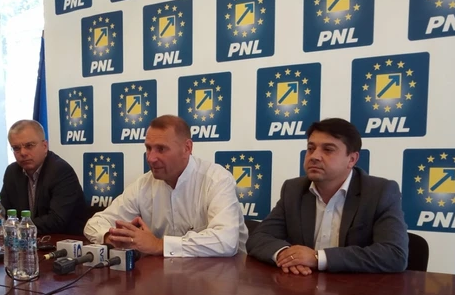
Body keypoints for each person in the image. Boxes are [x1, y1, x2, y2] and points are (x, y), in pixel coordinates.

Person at [246, 117, 408, 274]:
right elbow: (259, 237)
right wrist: (287, 255)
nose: (314, 156)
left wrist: (318, 258)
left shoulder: (380, 192)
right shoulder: (294, 190)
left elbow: (394, 254)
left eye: (328, 150)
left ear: (352, 159)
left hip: (356, 288)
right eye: (311, 148)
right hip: (302, 285)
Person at [84, 115, 247, 257]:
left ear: (187, 148)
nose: (151, 158)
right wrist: (112, 237)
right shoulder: (143, 185)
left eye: (161, 149)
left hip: (221, 277)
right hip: (163, 276)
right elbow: (95, 223)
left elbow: (226, 241)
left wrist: (158, 245)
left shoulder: (217, 180)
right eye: (148, 148)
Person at [0, 120, 86, 236]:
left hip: (64, 241)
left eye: (29, 146)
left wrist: (11, 227)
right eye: (16, 148)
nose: (23, 153)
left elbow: (56, 221)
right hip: (27, 241)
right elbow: (2, 210)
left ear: (44, 146)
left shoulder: (60, 171)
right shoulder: (12, 172)